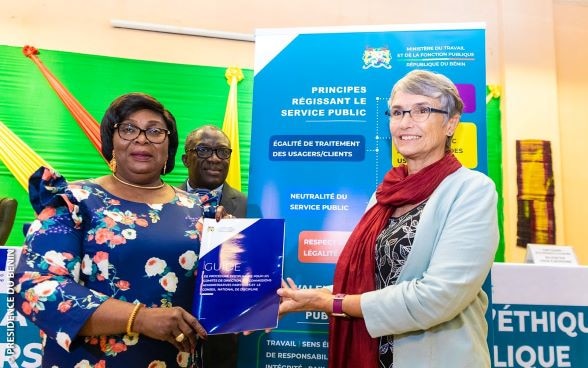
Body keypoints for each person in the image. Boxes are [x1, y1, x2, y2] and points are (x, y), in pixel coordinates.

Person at [277, 70, 499, 368]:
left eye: (422, 110)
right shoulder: (385, 193)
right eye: (397, 112)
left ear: (451, 123)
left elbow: (437, 298)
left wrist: (330, 303)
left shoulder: (472, 190)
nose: (405, 122)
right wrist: (307, 297)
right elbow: (372, 283)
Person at [14, 93, 230, 367]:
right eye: (128, 129)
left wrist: (258, 301)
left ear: (169, 147)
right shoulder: (73, 201)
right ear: (111, 141)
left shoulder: (199, 208)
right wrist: (139, 318)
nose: (141, 139)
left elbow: (219, 287)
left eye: (155, 131)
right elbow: (37, 288)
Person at [179, 125, 247, 368]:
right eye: (204, 150)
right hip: (169, 331)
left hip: (225, 338)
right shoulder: (162, 201)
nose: (215, 159)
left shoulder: (250, 207)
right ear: (186, 158)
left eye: (222, 151)